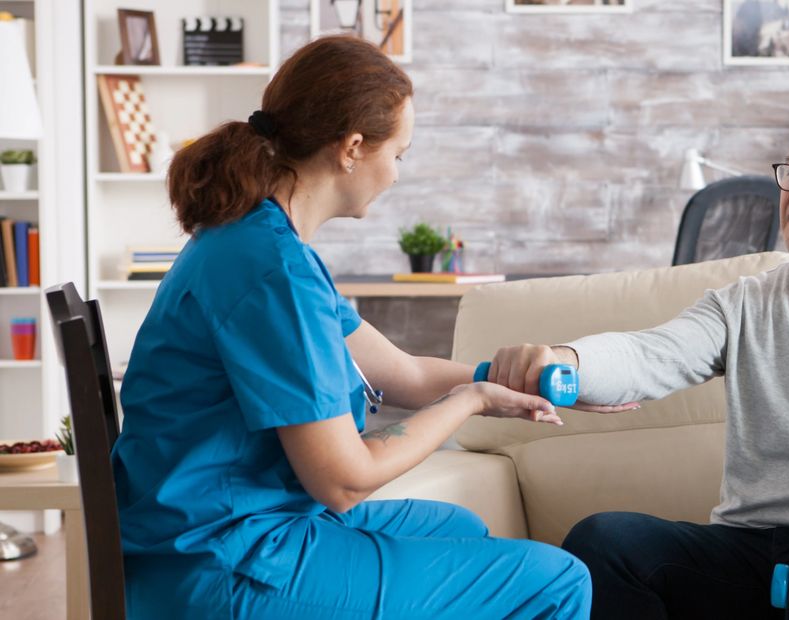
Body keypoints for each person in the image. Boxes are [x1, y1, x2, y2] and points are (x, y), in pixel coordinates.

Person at [114, 35, 593, 619]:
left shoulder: (264, 242)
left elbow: (404, 373)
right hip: (224, 562)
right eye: (399, 154)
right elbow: (346, 480)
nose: (396, 175)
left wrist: (510, 382)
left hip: (217, 531)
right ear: (353, 148)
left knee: (462, 526)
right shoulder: (273, 272)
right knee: (558, 580)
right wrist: (470, 400)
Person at [486, 103, 789, 620]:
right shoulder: (742, 305)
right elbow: (651, 353)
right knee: (605, 542)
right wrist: (564, 359)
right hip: (754, 550)